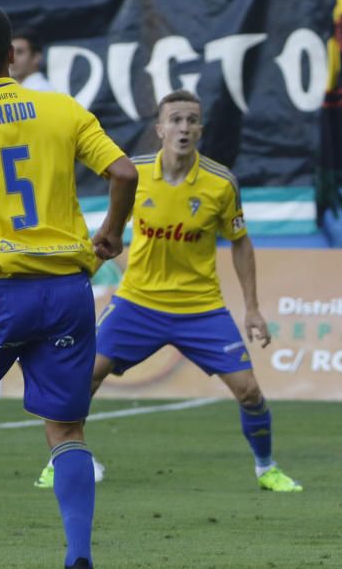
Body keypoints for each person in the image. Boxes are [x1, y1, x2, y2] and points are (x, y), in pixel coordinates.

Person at [0, 1, 138, 569]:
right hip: (67, 290)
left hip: (0, 289)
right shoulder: (61, 109)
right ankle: (78, 557)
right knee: (66, 425)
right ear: (13, 56)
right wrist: (109, 231)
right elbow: (126, 172)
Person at [34, 89, 303, 495]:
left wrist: (252, 309)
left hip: (201, 308)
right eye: (175, 119)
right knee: (81, 378)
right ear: (159, 129)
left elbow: (241, 242)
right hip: (137, 302)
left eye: (192, 120)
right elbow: (108, 235)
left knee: (249, 390)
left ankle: (266, 468)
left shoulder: (221, 183)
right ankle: (63, 460)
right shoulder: (133, 174)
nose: (184, 127)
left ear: (200, 130)